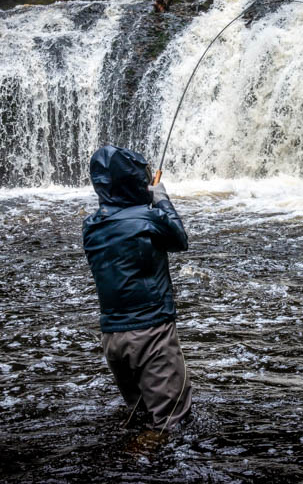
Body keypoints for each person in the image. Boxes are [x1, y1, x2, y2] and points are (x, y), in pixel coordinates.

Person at [82, 144, 192, 432]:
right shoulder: (148, 220)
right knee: (172, 423)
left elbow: (124, 218)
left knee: (140, 417)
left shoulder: (91, 227)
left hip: (113, 340)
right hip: (152, 335)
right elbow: (179, 239)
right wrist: (160, 196)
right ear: (135, 181)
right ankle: (140, 459)